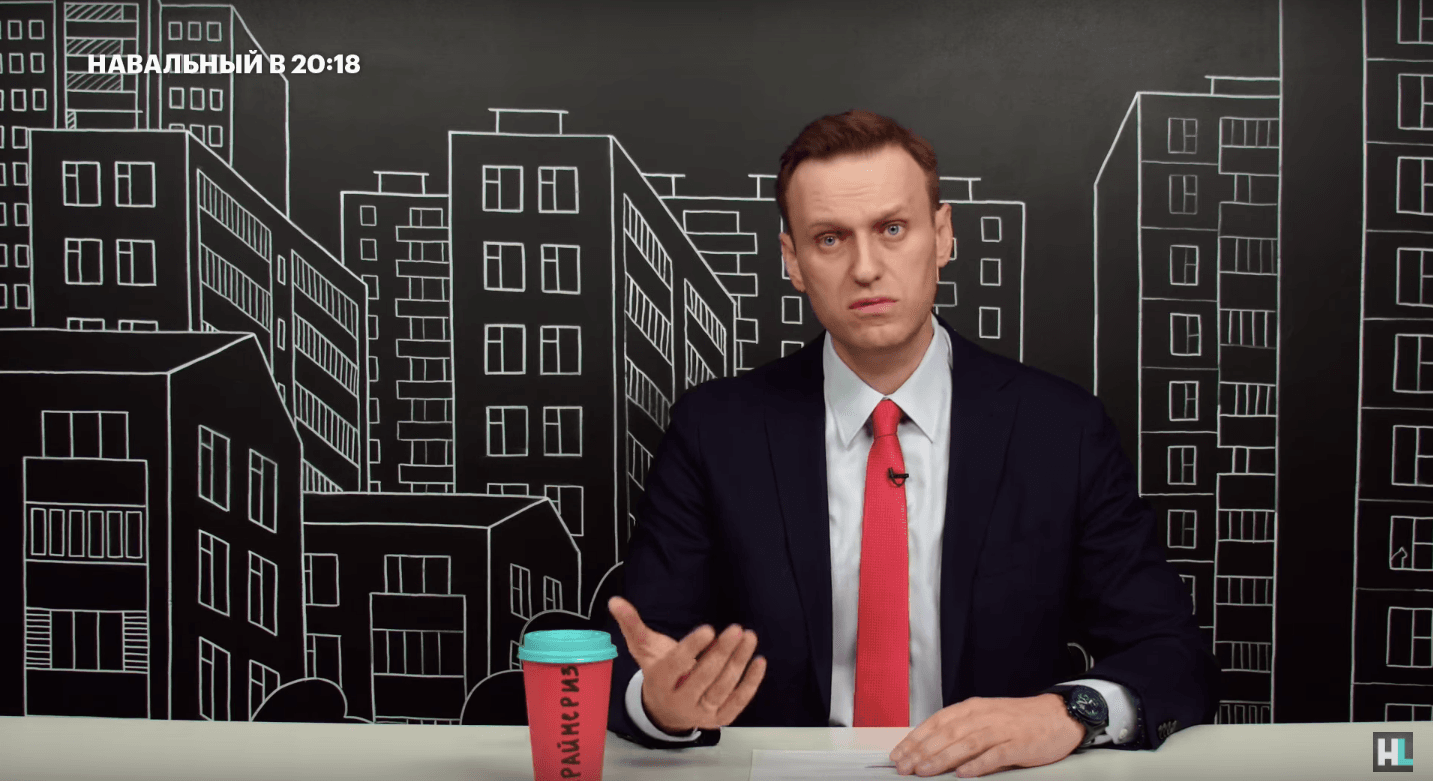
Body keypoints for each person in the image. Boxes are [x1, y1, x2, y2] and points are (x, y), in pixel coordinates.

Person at [602, 109, 1218, 778]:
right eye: (830, 238)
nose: (866, 268)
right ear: (793, 261)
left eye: (892, 229)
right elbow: (641, 654)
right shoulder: (716, 429)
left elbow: (1170, 653)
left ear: (942, 235)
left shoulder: (1060, 428)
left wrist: (1066, 712)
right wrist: (661, 705)